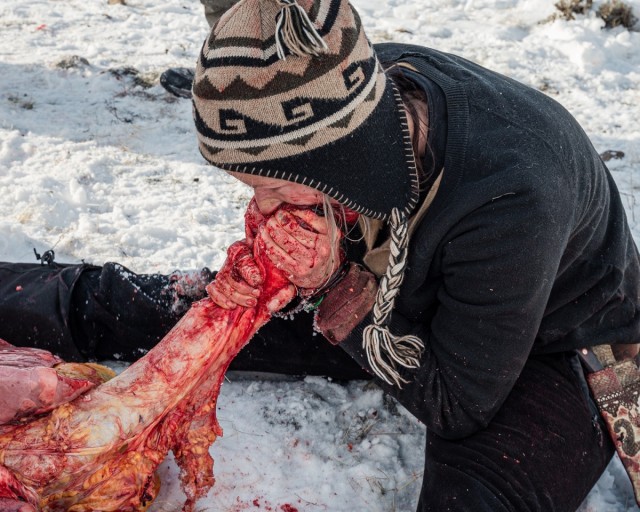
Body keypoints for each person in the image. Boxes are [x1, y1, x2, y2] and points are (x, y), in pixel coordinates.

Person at [2, 1, 639, 511]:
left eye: (277, 186)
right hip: (395, 285)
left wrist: (337, 286)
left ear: (341, 163)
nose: (269, 210)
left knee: (478, 496)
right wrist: (295, 275)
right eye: (255, 190)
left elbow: (456, 401)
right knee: (161, 308)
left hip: (548, 344)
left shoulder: (511, 195)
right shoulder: (351, 96)